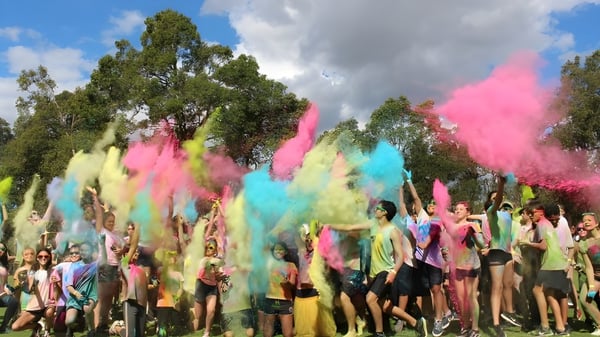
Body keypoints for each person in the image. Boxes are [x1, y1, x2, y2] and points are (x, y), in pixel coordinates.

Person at [329, 200, 404, 337]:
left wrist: (394, 272)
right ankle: (415, 322)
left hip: (386, 270)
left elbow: (401, 256)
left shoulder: (393, 231)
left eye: (378, 208)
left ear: (385, 212)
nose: (375, 209)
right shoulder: (372, 224)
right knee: (384, 305)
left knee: (370, 299)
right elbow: (350, 227)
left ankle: (378, 333)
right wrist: (329, 225)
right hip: (374, 271)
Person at [383, 175, 427, 337]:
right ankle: (399, 316)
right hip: (395, 262)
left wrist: (408, 183)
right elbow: (401, 203)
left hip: (408, 262)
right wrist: (400, 188)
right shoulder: (402, 221)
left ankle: (401, 318)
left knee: (404, 291)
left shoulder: (418, 224)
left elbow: (415, 201)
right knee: (394, 290)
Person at [525, 203, 571, 336]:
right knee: (550, 295)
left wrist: (528, 243)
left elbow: (543, 246)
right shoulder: (548, 224)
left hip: (550, 263)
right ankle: (561, 328)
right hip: (559, 262)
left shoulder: (541, 224)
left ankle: (545, 327)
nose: (530, 216)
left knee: (537, 290)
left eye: (532, 214)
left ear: (540, 213)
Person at [442, 201, 486, 337]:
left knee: (471, 297)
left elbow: (482, 244)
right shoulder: (451, 227)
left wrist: (474, 234)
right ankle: (465, 327)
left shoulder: (472, 225)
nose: (457, 211)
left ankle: (475, 329)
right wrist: (445, 251)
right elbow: (446, 244)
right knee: (461, 299)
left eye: (461, 209)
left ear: (468, 212)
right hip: (457, 266)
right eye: (456, 209)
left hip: (471, 265)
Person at [89, 187, 125, 334]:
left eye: (113, 221)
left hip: (115, 267)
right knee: (102, 298)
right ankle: (98, 325)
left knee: (109, 297)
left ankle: (103, 324)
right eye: (109, 221)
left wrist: (121, 251)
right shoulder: (101, 231)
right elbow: (98, 213)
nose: (111, 223)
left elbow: (122, 249)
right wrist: (95, 197)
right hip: (104, 267)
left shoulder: (115, 235)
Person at [293, 224, 336, 337]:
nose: (306, 238)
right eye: (303, 235)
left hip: (315, 287)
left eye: (307, 235)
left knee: (317, 322)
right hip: (301, 288)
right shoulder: (300, 249)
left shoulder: (318, 247)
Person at [11, 248, 55, 337]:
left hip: (48, 305)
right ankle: (37, 326)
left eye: (46, 256)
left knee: (50, 313)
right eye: (41, 256)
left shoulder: (53, 270)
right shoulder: (32, 272)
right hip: (34, 306)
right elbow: (29, 290)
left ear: (49, 257)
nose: (43, 258)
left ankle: (47, 332)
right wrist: (28, 283)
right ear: (37, 258)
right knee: (15, 327)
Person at [64, 240, 101, 337]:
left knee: (87, 308)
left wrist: (102, 243)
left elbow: (104, 258)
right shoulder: (74, 266)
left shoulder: (95, 265)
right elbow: (68, 285)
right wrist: (76, 293)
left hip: (90, 295)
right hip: (75, 297)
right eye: (82, 250)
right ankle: (74, 326)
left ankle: (91, 330)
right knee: (69, 322)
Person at [262, 241, 297, 337]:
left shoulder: (291, 265)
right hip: (270, 299)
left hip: (285, 301)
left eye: (281, 249)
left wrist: (287, 283)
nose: (278, 251)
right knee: (267, 334)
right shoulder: (268, 263)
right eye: (276, 249)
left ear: (285, 252)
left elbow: (292, 284)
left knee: (288, 334)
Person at [119, 222, 148, 337]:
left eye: (137, 252)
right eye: (133, 252)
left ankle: (117, 329)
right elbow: (133, 246)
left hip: (142, 304)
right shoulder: (125, 264)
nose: (135, 253)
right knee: (129, 335)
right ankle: (117, 329)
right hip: (130, 303)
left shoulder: (141, 270)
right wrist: (138, 226)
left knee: (140, 334)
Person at [193, 239, 225, 337]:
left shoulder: (217, 261)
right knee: (197, 316)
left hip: (212, 287)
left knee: (211, 310)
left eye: (211, 248)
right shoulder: (203, 260)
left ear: (215, 250)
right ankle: (193, 330)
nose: (208, 249)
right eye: (206, 247)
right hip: (201, 285)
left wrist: (221, 275)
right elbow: (208, 264)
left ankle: (207, 332)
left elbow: (218, 277)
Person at [577, 212, 600, 334]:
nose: (586, 222)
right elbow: (589, 267)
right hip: (595, 277)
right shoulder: (583, 244)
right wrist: (591, 286)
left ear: (596, 223)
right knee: (584, 299)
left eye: (589, 220)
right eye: (584, 220)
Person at [0, 242, 19, 334]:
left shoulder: (4, 263)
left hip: (2, 295)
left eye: (3, 249)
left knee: (14, 302)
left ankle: (3, 328)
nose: (0, 250)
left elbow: (3, 282)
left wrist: (6, 287)